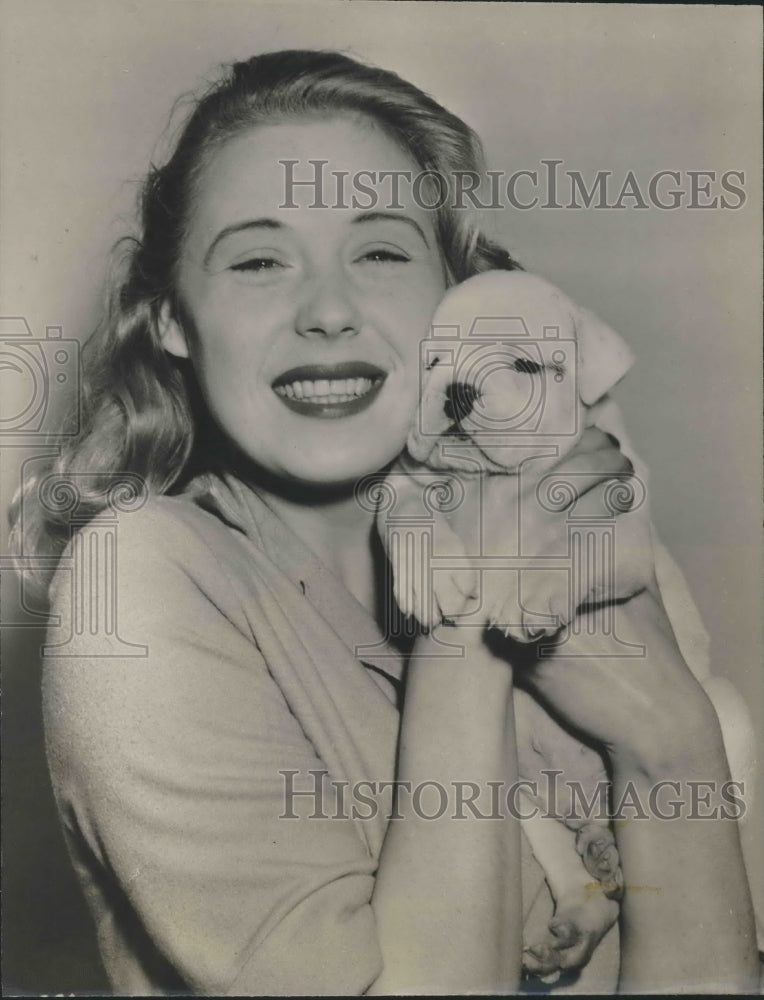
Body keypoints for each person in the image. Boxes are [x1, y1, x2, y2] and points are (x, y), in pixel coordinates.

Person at [13, 50, 757, 994]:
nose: (327, 311)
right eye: (256, 260)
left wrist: (672, 736)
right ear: (170, 322)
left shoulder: (583, 543)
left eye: (380, 251)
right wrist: (470, 623)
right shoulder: (143, 581)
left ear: (455, 294)